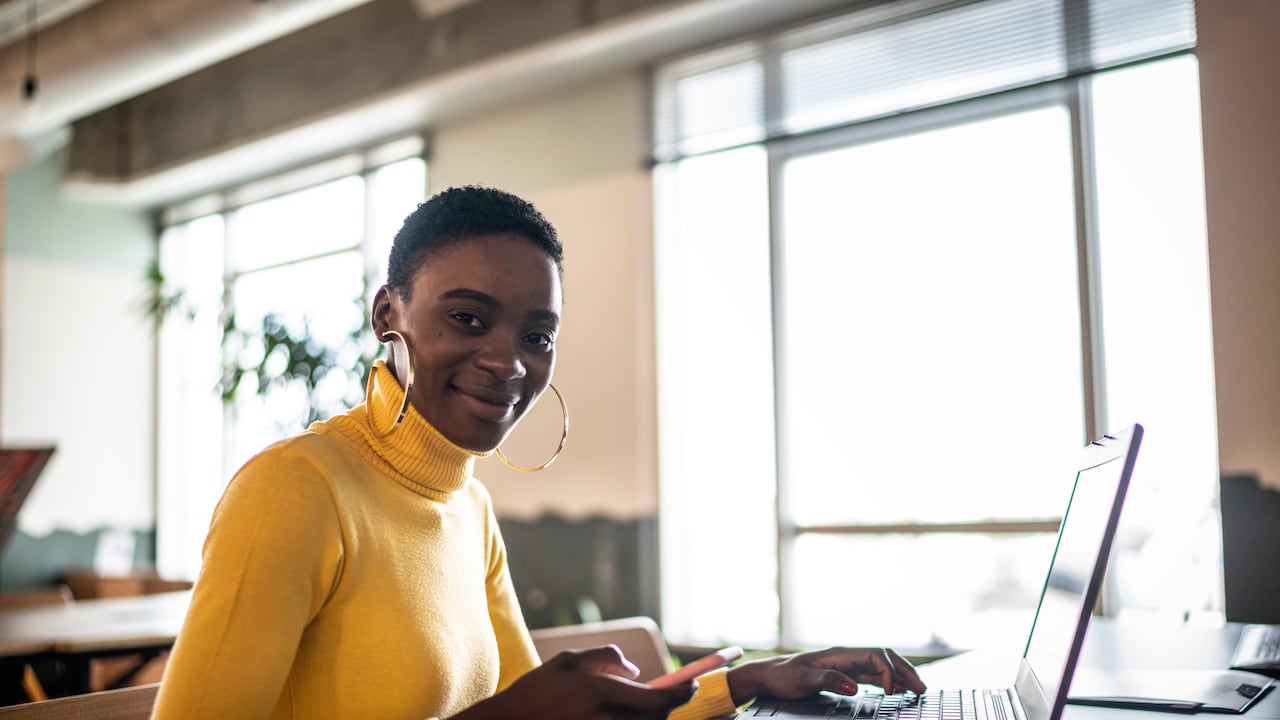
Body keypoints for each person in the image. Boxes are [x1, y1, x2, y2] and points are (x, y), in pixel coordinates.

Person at [151, 185, 927, 719]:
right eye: (467, 318)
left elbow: (558, 712)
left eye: (536, 335)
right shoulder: (296, 489)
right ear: (389, 311)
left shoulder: (468, 507)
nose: (508, 361)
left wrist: (755, 680)